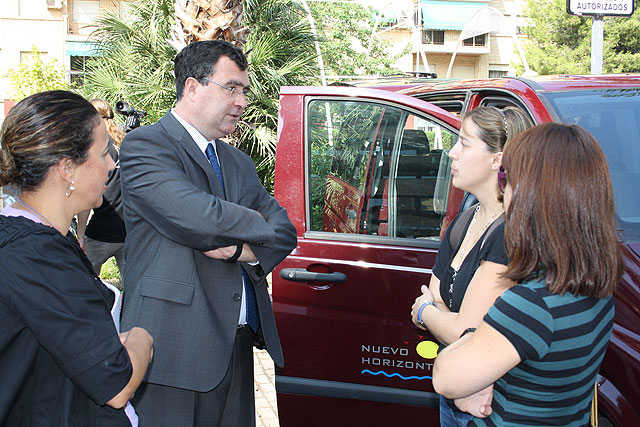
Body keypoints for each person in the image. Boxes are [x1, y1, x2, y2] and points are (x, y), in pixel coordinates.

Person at [119, 40, 297, 426]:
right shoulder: (145, 146)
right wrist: (259, 226)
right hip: (172, 350)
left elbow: (286, 231)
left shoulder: (237, 161)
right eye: (231, 87)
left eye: (244, 90)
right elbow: (198, 217)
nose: (241, 101)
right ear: (192, 87)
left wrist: (241, 252)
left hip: (235, 345)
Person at [432, 123, 623, 426]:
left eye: (506, 177)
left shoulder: (532, 305)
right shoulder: (595, 286)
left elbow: (445, 377)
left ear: (534, 195)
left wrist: (474, 340)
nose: (501, 187)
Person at [0, 90, 153, 426]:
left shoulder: (37, 239)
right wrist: (142, 337)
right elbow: (117, 383)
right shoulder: (37, 255)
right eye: (103, 154)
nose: (112, 165)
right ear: (67, 168)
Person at [410, 106, 533, 426]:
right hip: (455, 398)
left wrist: (425, 312)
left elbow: (466, 330)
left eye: (464, 143)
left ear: (497, 159)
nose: (451, 153)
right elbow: (438, 296)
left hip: (491, 407)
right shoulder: (466, 220)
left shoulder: (510, 231)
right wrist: (440, 315)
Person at [77, 98, 128, 275]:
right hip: (129, 231)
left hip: (101, 230)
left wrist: (80, 234)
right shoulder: (126, 143)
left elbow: (86, 193)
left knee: (84, 282)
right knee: (132, 289)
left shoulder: (97, 148)